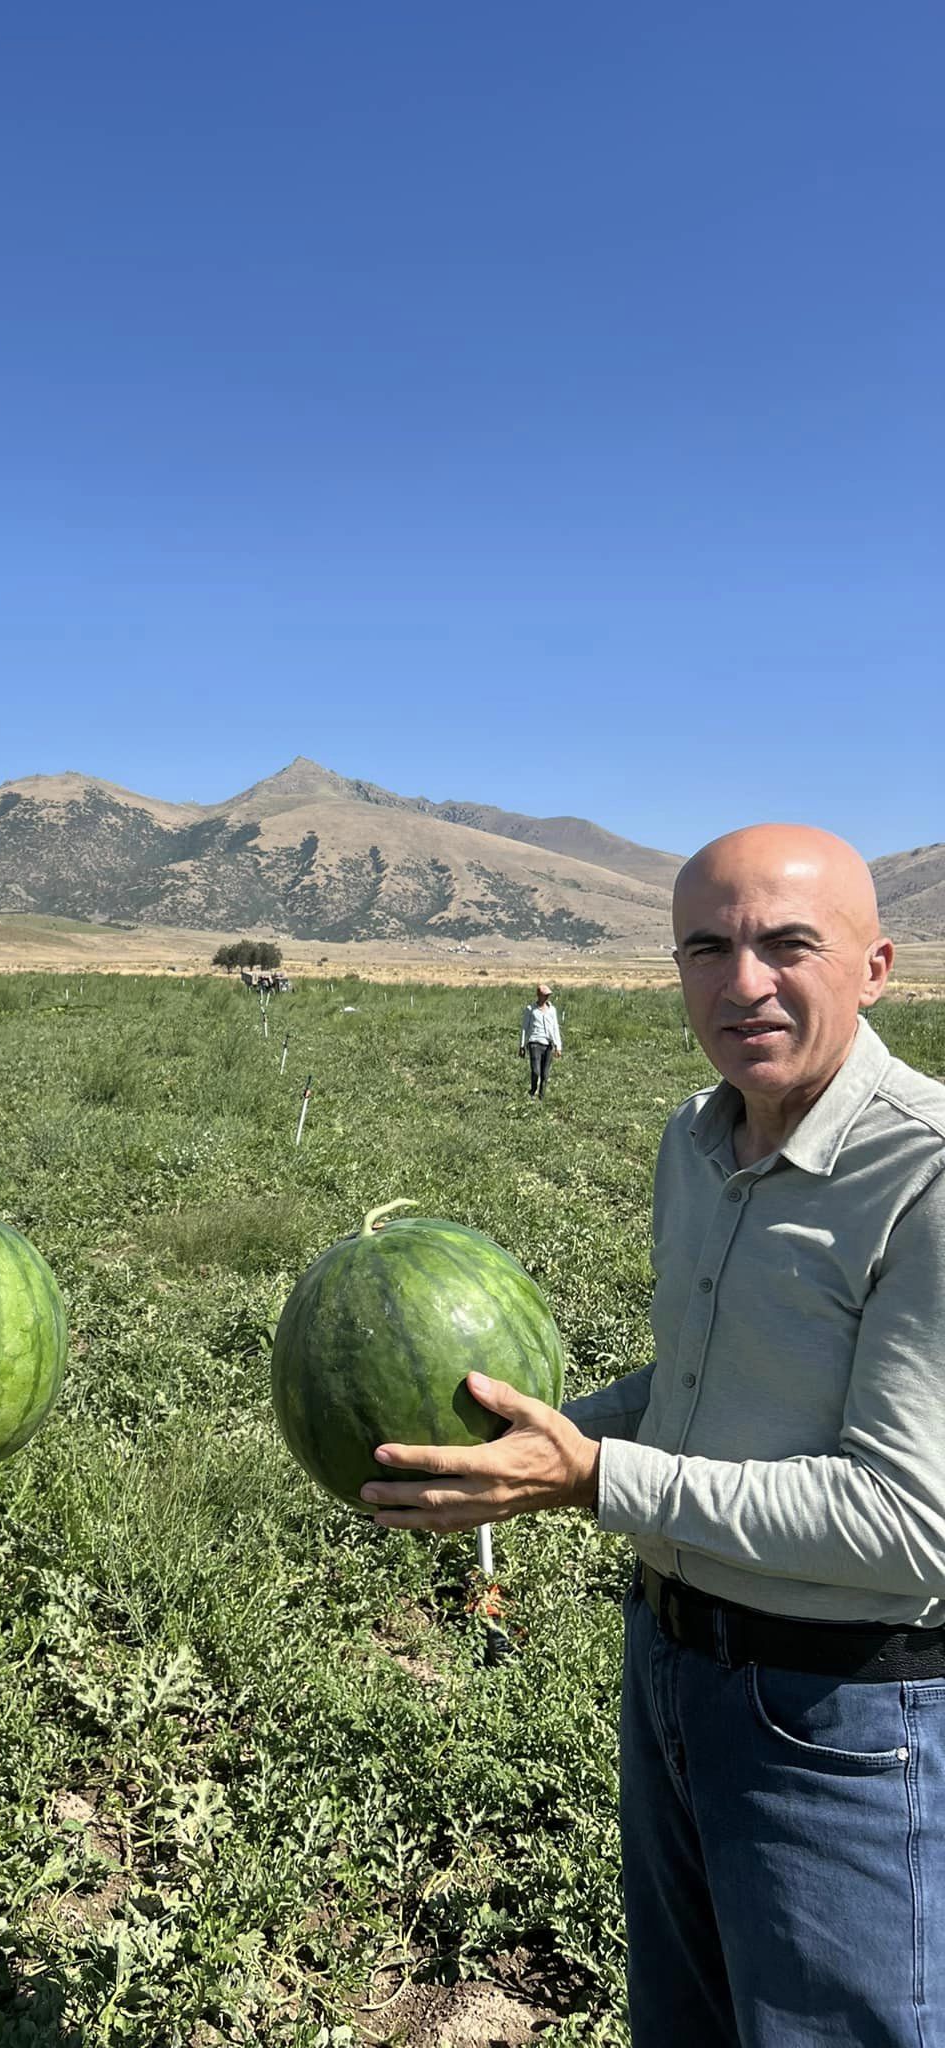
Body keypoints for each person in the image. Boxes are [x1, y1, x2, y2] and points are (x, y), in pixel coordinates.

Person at [361, 823, 945, 2046]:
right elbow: (694, 1384)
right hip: (672, 1671)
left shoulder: (925, 1177)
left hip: (842, 1720)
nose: (744, 983)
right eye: (706, 947)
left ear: (877, 965)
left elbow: (908, 1526)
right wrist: (526, 1444)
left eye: (790, 945)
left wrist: (590, 1476)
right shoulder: (696, 1137)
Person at [519, 982, 562, 1099]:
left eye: (548, 995)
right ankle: (532, 1091)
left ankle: (541, 1097)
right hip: (534, 1043)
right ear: (539, 995)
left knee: (545, 1074)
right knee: (536, 1071)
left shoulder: (552, 1010)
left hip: (548, 1044)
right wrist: (522, 1045)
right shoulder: (530, 1009)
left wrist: (558, 1046)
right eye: (545, 995)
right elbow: (524, 1028)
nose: (547, 997)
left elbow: (555, 1028)